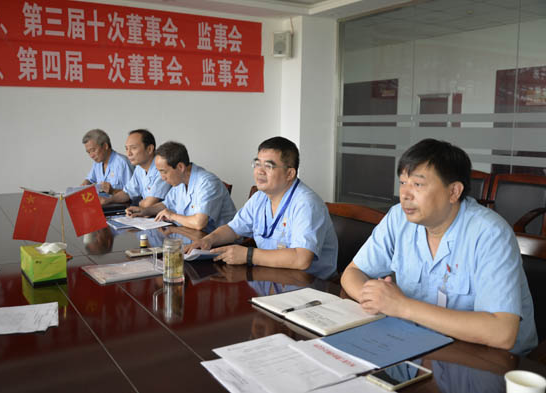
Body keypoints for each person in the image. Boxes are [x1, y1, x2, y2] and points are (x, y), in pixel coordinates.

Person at [341, 138, 537, 355]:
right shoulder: (398, 218)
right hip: (418, 344)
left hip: (487, 358)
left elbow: (502, 333)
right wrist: (376, 299)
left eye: (418, 185)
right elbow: (353, 273)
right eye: (403, 182)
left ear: (453, 192)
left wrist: (401, 306)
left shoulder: (490, 234)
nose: (405, 194)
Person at [187, 137, 338, 280]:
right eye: (257, 164)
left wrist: (248, 255)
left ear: (289, 173)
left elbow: (301, 259)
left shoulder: (306, 204)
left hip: (309, 285)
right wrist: (208, 240)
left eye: (268, 166)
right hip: (270, 276)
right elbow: (233, 229)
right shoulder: (260, 198)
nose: (260, 171)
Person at [126, 141, 236, 233]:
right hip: (191, 236)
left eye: (164, 172)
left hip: (218, 244)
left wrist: (172, 216)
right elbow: (166, 205)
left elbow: (199, 223)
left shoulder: (207, 183)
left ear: (180, 167)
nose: (162, 178)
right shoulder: (180, 181)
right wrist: (144, 211)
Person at [100, 129, 170, 208]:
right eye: (126, 149)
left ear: (149, 149)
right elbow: (127, 193)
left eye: (133, 148)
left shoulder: (162, 168)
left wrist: (139, 203)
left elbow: (149, 204)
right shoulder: (139, 168)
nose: (128, 153)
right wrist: (108, 200)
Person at [81, 129, 133, 194]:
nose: (91, 156)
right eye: (88, 152)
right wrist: (85, 184)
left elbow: (133, 194)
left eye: (93, 150)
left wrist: (113, 191)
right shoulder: (97, 163)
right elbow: (90, 179)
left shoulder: (123, 163)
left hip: (118, 201)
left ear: (105, 146)